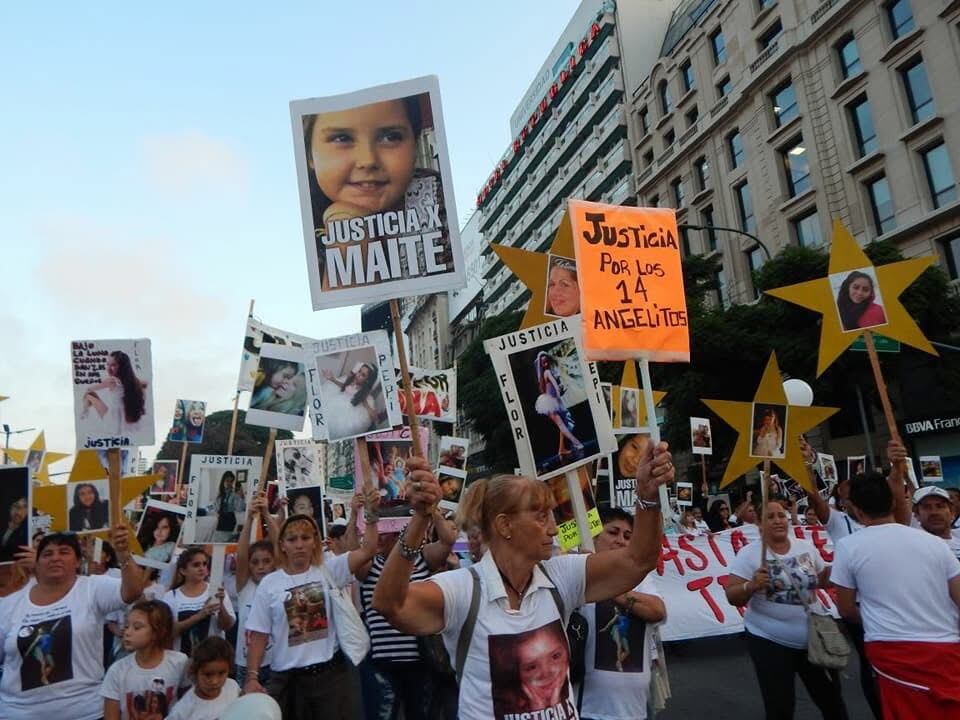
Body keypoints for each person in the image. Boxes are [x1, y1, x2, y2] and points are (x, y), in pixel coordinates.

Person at [372, 441, 675, 720]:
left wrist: (647, 497)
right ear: (505, 526)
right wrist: (420, 521)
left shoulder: (561, 577)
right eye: (541, 516)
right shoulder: (463, 590)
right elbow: (390, 604)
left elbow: (639, 560)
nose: (554, 530)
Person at [242, 485, 381, 719]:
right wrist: (252, 677)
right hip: (287, 680)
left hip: (330, 678)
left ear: (315, 542)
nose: (299, 544)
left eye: (305, 538)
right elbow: (259, 634)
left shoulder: (329, 570)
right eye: (292, 539)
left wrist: (371, 513)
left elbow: (367, 549)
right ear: (282, 544)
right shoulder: (270, 584)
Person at [831, 473, 960, 718]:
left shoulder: (848, 547)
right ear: (893, 502)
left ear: (856, 510)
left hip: (889, 646)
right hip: (945, 646)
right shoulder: (936, 544)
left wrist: (876, 619)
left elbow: (845, 608)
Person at [0, 527, 145, 720]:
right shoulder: (9, 605)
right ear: (37, 562)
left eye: (64, 552)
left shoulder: (92, 588)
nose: (55, 558)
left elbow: (133, 591)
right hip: (18, 713)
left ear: (78, 561)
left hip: (84, 712)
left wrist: (124, 553)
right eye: (47, 554)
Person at [725, 498, 848, 720]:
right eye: (770, 517)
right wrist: (750, 586)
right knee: (780, 707)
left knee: (832, 702)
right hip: (770, 641)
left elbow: (821, 579)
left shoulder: (806, 547)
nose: (777, 521)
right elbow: (732, 595)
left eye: (781, 515)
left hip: (814, 639)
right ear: (759, 523)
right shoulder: (748, 555)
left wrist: (846, 562)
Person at [357, 509, 456, 720]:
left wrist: (432, 510)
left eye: (386, 532)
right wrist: (369, 517)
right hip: (382, 665)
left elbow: (448, 541)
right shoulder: (369, 564)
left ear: (398, 534)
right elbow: (355, 553)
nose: (380, 537)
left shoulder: (421, 558)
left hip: (420, 662)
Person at [579, 507, 666, 720]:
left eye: (628, 536)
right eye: (613, 532)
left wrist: (613, 588)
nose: (621, 540)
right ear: (594, 537)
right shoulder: (576, 574)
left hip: (636, 709)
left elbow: (657, 611)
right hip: (588, 709)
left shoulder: (640, 578)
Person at [101, 600, 190, 720]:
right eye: (126, 626)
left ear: (158, 632)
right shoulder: (117, 670)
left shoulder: (179, 662)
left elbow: (189, 704)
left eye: (137, 627)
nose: (127, 632)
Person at [235, 492, 277, 688]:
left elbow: (279, 544)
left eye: (267, 561)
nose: (260, 566)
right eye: (255, 562)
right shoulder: (245, 587)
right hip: (245, 665)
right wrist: (250, 519)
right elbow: (242, 554)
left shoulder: (278, 585)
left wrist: (267, 514)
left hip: (275, 663)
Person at [162, 547, 236, 657]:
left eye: (204, 564)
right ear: (183, 571)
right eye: (196, 565)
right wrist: (200, 615)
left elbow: (227, 626)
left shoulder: (216, 591)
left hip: (214, 657)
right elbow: (167, 632)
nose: (202, 568)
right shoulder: (171, 596)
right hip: (182, 659)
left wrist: (221, 606)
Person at [167, 637, 240, 720]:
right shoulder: (182, 710)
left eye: (221, 673)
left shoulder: (232, 687)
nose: (214, 681)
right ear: (195, 672)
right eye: (208, 675)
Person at [80, 350, 149, 436]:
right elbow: (146, 384)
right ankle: (85, 410)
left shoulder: (111, 381)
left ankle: (85, 410)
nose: (109, 368)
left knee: (89, 394)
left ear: (122, 367)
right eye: (108, 364)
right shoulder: (138, 383)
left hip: (113, 422)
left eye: (113, 365)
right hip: (131, 422)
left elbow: (89, 389)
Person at [533, 351, 583, 460]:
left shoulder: (543, 375)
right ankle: (577, 443)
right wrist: (559, 391)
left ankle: (561, 449)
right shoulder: (547, 373)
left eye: (546, 361)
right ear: (541, 365)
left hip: (551, 401)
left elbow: (550, 388)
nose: (546, 364)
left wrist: (559, 390)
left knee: (563, 425)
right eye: (543, 362)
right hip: (550, 403)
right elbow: (555, 387)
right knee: (562, 425)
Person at [319, 362, 381, 439]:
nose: (358, 375)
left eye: (363, 375)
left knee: (338, 426)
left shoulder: (362, 392)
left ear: (367, 380)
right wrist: (332, 379)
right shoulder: (352, 381)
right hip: (338, 401)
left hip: (347, 409)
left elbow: (370, 411)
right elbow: (344, 386)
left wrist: (369, 409)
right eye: (359, 371)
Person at [911, 486, 960, 559]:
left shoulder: (957, 536)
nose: (934, 512)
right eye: (926, 507)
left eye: (940, 506)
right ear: (916, 514)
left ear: (952, 512)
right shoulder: (915, 544)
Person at [210, 471, 245, 543]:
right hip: (220, 520)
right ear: (223, 481)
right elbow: (215, 508)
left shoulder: (234, 495)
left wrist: (241, 497)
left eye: (231, 481)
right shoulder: (219, 494)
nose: (229, 483)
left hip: (229, 521)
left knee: (224, 540)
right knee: (216, 540)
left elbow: (239, 509)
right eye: (227, 481)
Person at [0, 496, 28, 563]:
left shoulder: (26, 533)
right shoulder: (3, 525)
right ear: (10, 508)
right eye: (16, 506)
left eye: (25, 507)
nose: (19, 511)